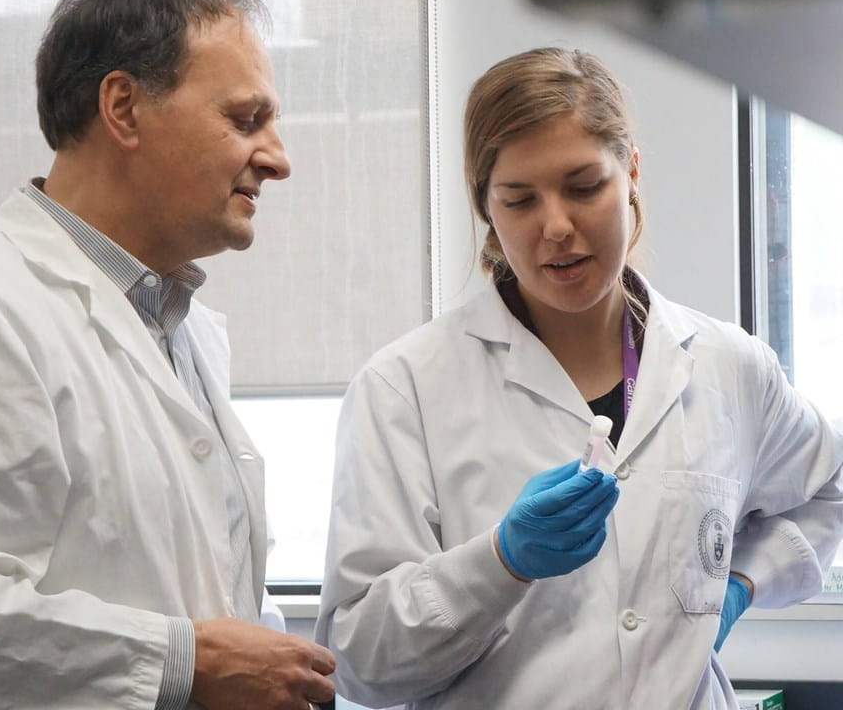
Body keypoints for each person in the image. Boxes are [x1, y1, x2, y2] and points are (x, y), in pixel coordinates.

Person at [0, 0, 336, 710]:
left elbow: (200, 598)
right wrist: (184, 662)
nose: (278, 157)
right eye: (245, 119)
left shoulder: (185, 331)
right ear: (124, 108)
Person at [315, 47, 843, 709]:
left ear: (632, 174)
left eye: (584, 186)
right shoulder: (406, 388)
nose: (557, 227)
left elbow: (826, 493)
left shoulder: (726, 366)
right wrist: (500, 562)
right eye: (519, 199)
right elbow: (360, 660)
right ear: (487, 209)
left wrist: (743, 582)